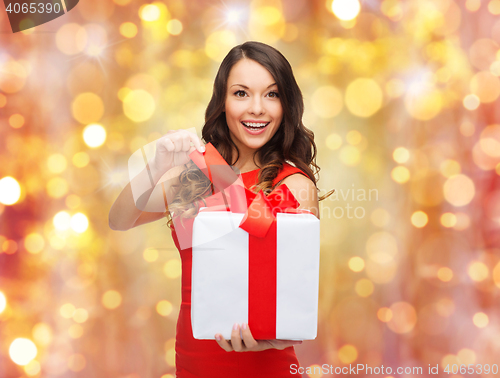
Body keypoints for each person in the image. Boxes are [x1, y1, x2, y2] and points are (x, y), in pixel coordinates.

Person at [109, 41, 331, 378]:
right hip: (193, 362)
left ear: (286, 105)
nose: (257, 108)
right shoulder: (195, 176)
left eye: (271, 94)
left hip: (263, 367)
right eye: (241, 93)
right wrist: (157, 165)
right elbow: (120, 219)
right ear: (222, 102)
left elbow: (294, 295)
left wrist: (267, 342)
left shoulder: (294, 184)